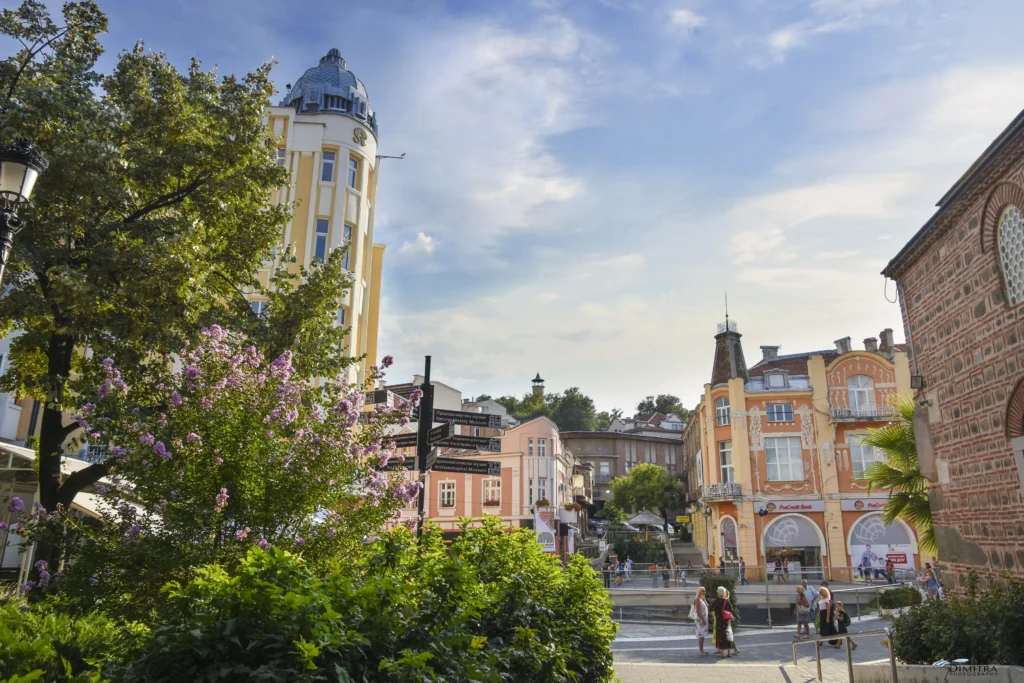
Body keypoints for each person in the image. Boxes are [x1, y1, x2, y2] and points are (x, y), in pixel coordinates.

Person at [710, 586, 733, 658]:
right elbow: (731, 610)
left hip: (719, 621)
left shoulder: (716, 601)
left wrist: (714, 614)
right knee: (728, 635)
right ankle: (729, 652)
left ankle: (722, 653)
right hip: (727, 621)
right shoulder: (727, 601)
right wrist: (729, 620)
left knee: (721, 636)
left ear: (718, 593)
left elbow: (711, 608)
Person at [693, 586, 709, 656]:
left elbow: (707, 607)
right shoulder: (697, 599)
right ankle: (701, 651)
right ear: (699, 592)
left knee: (702, 635)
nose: (705, 592)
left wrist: (704, 599)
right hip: (700, 620)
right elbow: (698, 611)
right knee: (701, 635)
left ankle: (702, 650)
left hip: (703, 619)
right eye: (703, 591)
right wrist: (703, 619)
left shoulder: (701, 599)